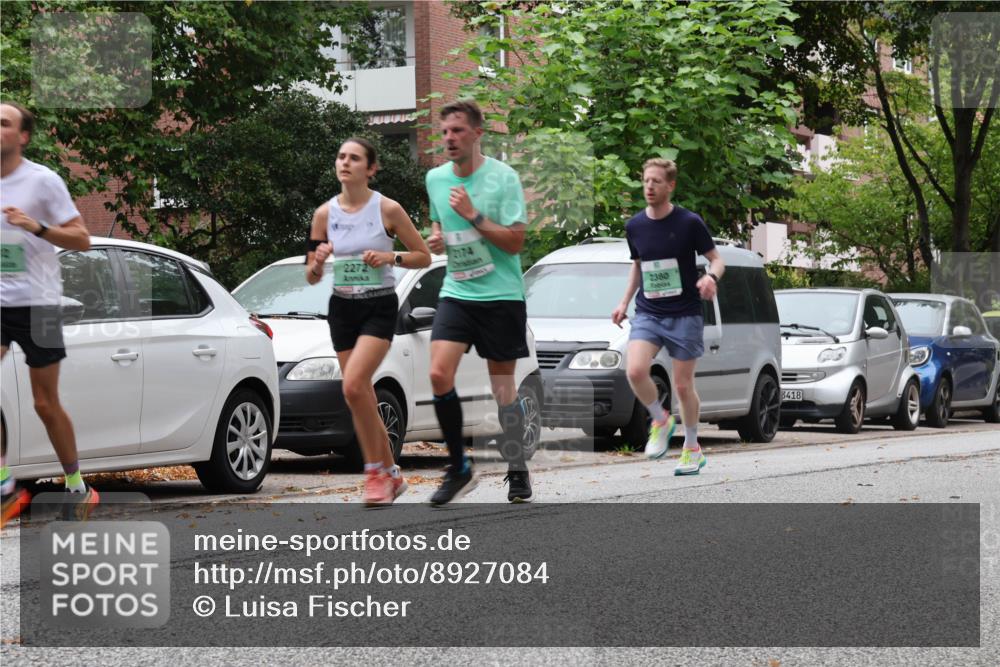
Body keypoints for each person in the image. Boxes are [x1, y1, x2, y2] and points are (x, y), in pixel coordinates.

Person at [305, 137, 430, 506]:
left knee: (354, 385)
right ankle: (392, 474)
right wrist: (318, 260)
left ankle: (375, 471)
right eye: (341, 156)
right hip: (342, 308)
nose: (345, 163)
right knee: (362, 394)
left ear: (370, 169)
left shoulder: (387, 209)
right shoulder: (324, 215)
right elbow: (311, 275)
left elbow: (422, 256)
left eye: (354, 158)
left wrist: (390, 258)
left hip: (378, 306)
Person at [424, 100, 533, 505]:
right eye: (445, 131)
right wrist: (436, 237)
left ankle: (517, 466)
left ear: (477, 134)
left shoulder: (503, 179)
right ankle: (459, 467)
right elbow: (439, 220)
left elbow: (516, 240)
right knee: (438, 374)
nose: (449, 138)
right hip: (458, 291)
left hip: (502, 295)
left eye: (457, 131)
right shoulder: (435, 178)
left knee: (502, 388)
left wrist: (473, 216)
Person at [1, 102, 98, 526]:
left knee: (44, 403)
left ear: (22, 136)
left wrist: (35, 227)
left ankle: (78, 487)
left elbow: (82, 239)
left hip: (39, 304)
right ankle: (5, 487)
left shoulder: (42, 181)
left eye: (4, 123)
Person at [612, 158, 725, 475]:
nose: (649, 187)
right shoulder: (634, 226)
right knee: (635, 371)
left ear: (670, 185)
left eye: (656, 182)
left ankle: (691, 447)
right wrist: (623, 302)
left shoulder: (689, 223)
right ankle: (660, 420)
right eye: (646, 181)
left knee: (683, 386)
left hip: (684, 314)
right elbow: (638, 265)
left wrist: (710, 279)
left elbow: (717, 260)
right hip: (648, 311)